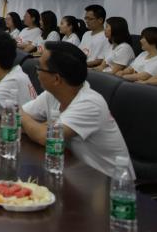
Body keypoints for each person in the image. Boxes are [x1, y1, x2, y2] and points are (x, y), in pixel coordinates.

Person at [21, 42, 135, 178]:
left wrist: (29, 121)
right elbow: (19, 122)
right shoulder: (52, 94)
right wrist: (38, 126)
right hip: (75, 172)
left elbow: (46, 137)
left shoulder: (90, 104)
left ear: (56, 79)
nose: (36, 71)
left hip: (110, 184)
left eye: (39, 67)